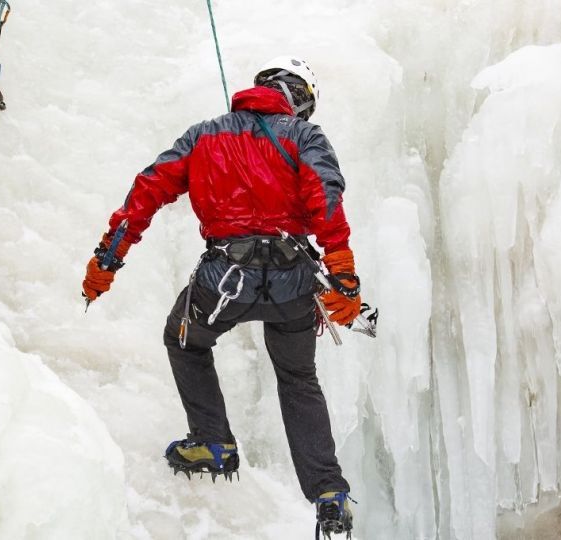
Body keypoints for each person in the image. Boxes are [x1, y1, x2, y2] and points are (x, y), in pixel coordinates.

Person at [81, 56, 360, 537]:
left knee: (185, 339)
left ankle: (212, 441)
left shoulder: (203, 135)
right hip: (294, 279)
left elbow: (147, 191)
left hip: (224, 279)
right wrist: (343, 271)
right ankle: (329, 494)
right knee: (298, 378)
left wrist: (109, 257)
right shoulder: (304, 137)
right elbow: (325, 197)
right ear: (297, 97)